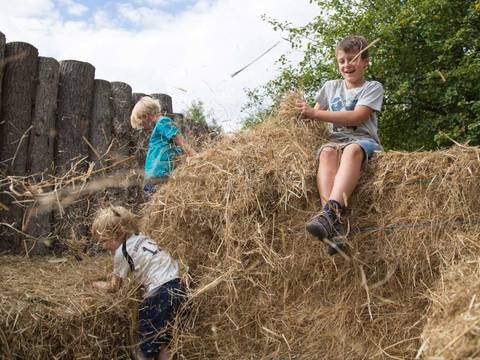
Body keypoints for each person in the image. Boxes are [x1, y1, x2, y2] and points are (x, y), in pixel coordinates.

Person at [295, 35, 384, 255]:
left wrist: (316, 113)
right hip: (334, 143)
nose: (347, 65)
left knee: (352, 150)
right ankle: (332, 226)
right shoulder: (330, 87)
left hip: (364, 142)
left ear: (365, 61)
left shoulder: (372, 87)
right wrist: (300, 111)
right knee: (326, 152)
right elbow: (314, 116)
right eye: (342, 61)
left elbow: (356, 117)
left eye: (353, 59)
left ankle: (332, 212)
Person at [92, 205, 186, 360]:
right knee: (162, 341)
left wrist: (96, 285)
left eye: (105, 240)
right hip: (177, 286)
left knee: (146, 346)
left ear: (120, 234)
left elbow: (114, 287)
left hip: (159, 294)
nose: (103, 246)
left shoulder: (122, 252)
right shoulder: (142, 237)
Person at [130, 96, 197, 196]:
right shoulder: (159, 126)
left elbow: (179, 140)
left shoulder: (162, 122)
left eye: (142, 124)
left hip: (158, 176)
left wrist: (196, 156)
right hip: (155, 176)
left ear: (145, 117)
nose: (143, 127)